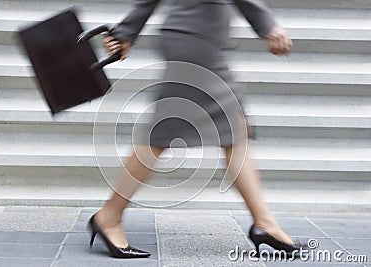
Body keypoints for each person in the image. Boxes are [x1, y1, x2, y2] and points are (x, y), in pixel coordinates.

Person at [88, 0, 305, 258]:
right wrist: (266, 24)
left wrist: (127, 31)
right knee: (174, 132)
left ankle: (264, 222)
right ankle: (109, 216)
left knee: (232, 128)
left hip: (195, 37)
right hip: (196, 39)